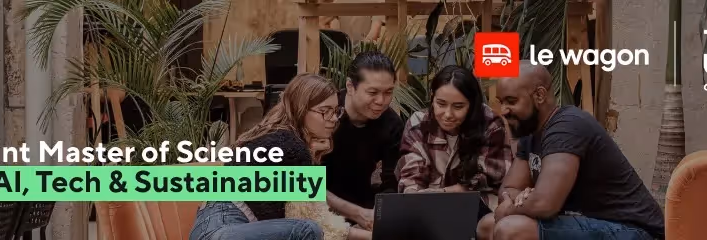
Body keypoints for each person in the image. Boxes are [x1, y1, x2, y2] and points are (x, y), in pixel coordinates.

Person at [490, 63, 665, 240]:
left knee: (510, 229)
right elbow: (508, 189)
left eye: (511, 101)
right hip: (589, 223)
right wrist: (523, 198)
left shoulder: (567, 126)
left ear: (539, 95)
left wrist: (512, 208)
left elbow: (544, 204)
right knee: (488, 226)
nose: (503, 110)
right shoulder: (531, 133)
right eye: (501, 102)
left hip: (633, 230)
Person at [189, 74, 370, 240]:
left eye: (336, 111)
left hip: (216, 226)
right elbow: (312, 220)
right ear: (300, 110)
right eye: (325, 111)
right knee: (308, 229)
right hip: (222, 229)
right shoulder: (290, 146)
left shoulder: (282, 139)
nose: (334, 118)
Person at [396, 65, 512, 240]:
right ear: (432, 98)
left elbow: (488, 177)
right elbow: (412, 176)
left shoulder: (490, 124)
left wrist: (441, 194)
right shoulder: (418, 123)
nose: (448, 114)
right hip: (426, 205)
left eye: (458, 106)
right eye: (441, 104)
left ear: (472, 105)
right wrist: (416, 199)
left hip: (476, 204)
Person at [321, 50, 403, 230]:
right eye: (372, 92)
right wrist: (355, 213)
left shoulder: (392, 124)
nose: (381, 101)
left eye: (388, 92)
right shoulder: (322, 114)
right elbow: (296, 181)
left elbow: (392, 182)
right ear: (350, 86)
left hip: (364, 210)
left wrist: (379, 215)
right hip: (314, 207)